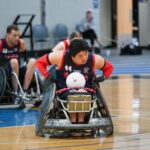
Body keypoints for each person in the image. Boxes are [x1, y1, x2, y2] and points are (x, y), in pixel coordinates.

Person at [36, 39, 113, 123]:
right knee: (73, 95)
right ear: (72, 56)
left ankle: (80, 121)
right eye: (80, 56)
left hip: (86, 91)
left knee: (81, 95)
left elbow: (109, 67)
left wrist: (104, 76)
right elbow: (39, 62)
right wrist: (47, 75)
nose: (84, 58)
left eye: (86, 54)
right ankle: (74, 122)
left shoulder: (94, 59)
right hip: (64, 91)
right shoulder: (60, 57)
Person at [0, 24, 36, 96]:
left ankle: (24, 91)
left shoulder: (20, 43)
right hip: (3, 72)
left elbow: (26, 60)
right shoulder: (1, 43)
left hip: (17, 71)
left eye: (18, 35)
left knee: (33, 61)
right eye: (14, 35)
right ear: (7, 35)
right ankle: (16, 92)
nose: (17, 38)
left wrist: (24, 50)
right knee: (14, 61)